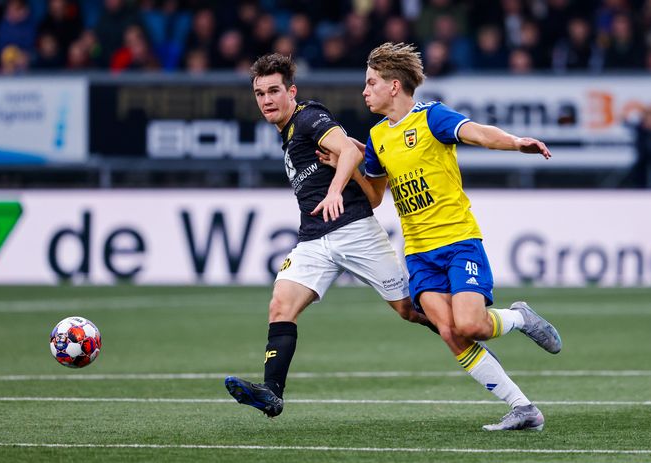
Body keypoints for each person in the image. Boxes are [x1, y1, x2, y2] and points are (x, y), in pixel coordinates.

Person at [315, 42, 562, 431]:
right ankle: (523, 407)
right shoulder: (378, 137)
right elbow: (378, 196)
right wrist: (353, 167)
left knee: (472, 325)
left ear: (394, 86)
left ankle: (518, 317)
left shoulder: (432, 118)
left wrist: (515, 142)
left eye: (371, 83)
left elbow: (477, 133)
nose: (364, 91)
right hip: (419, 253)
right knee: (448, 331)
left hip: (459, 241)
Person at [224, 53, 437, 418]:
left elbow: (347, 151)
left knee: (411, 310)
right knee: (280, 306)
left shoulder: (308, 116)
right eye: (260, 94)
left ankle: (476, 327)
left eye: (274, 91)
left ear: (291, 92)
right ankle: (271, 393)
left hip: (353, 228)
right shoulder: (289, 134)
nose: (267, 100)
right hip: (313, 238)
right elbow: (355, 156)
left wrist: (335, 190)